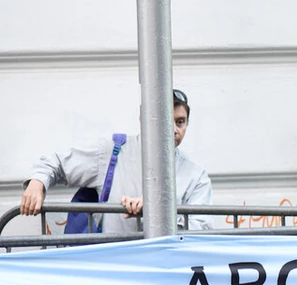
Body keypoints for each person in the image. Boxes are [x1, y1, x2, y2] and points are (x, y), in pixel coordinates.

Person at [19, 88, 213, 232]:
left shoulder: (196, 175)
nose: (173, 129)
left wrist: (157, 212)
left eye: (180, 122)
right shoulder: (113, 150)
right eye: (165, 119)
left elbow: (202, 229)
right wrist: (37, 184)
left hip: (166, 274)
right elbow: (57, 163)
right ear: (143, 118)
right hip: (112, 272)